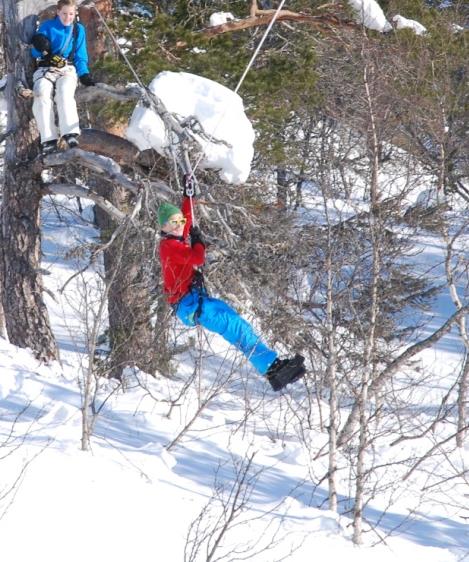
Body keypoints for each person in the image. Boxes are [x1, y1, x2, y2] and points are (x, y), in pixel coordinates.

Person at [158, 178, 306, 392]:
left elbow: (187, 219)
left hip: (197, 302)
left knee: (240, 326)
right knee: (236, 327)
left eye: (179, 222)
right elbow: (197, 259)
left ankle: (274, 368)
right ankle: (273, 370)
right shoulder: (169, 246)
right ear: (163, 226)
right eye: (174, 223)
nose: (180, 226)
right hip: (191, 305)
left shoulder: (176, 237)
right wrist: (198, 243)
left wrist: (188, 195)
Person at [31, 0, 95, 155]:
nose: (68, 17)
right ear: (58, 12)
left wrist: (84, 74)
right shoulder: (47, 26)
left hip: (67, 68)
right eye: (65, 13)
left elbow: (81, 56)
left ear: (75, 14)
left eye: (71, 14)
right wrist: (40, 46)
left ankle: (70, 133)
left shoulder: (78, 30)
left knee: (64, 93)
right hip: (45, 68)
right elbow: (34, 53)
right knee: (41, 93)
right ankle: (48, 139)